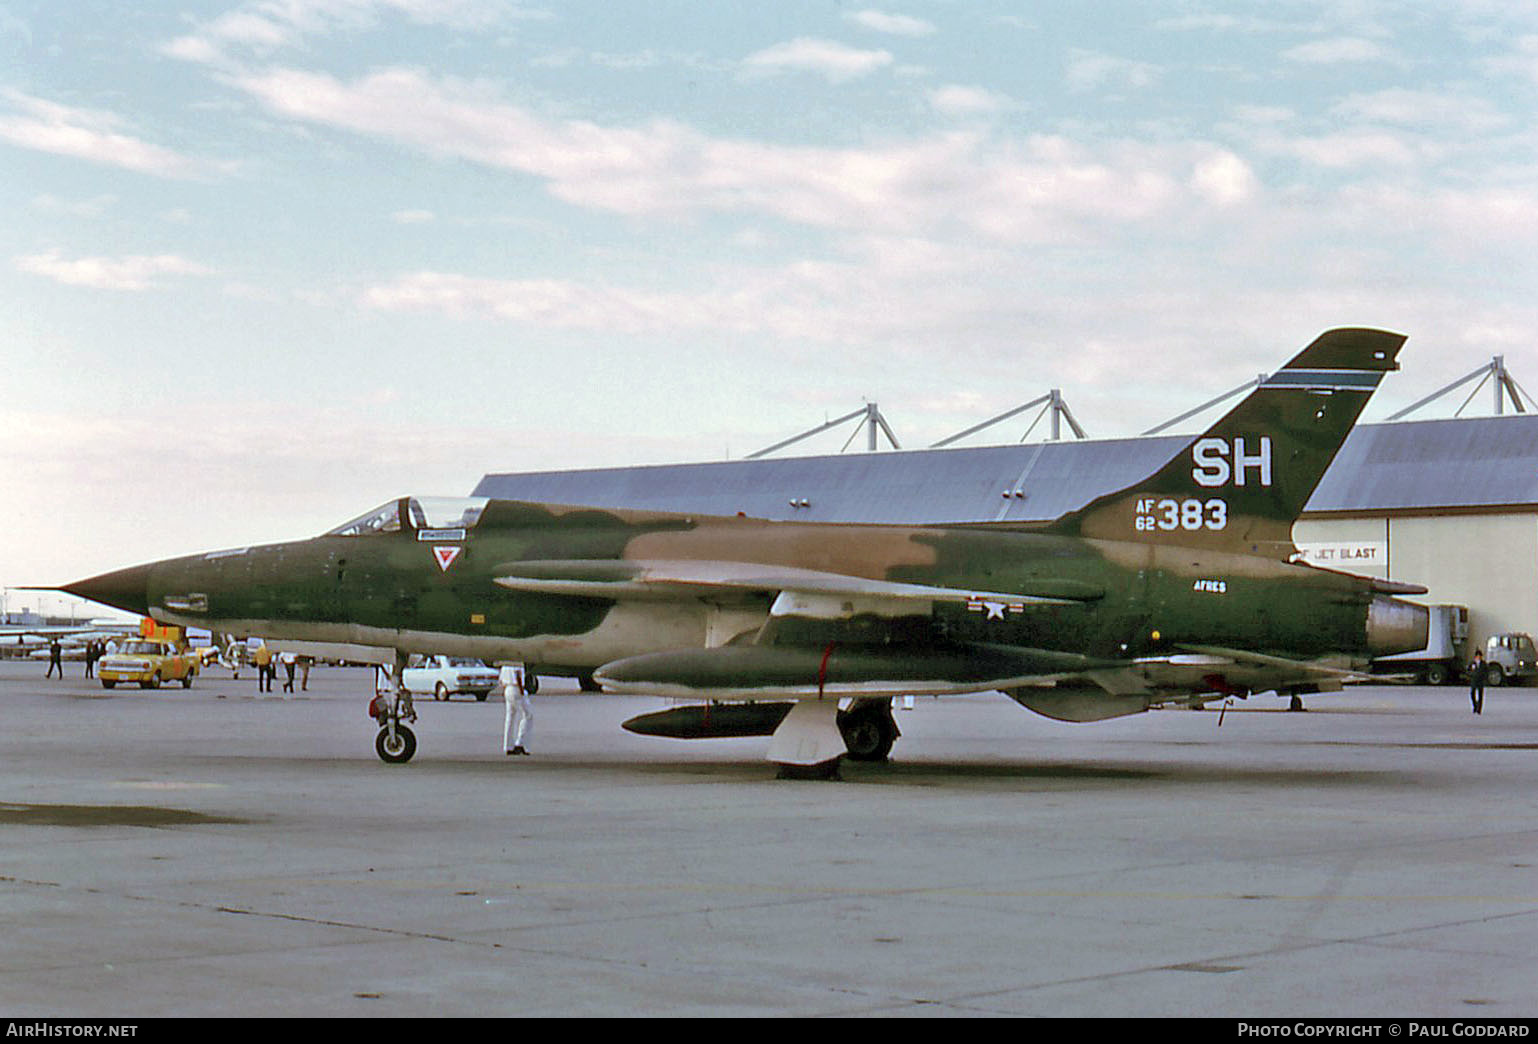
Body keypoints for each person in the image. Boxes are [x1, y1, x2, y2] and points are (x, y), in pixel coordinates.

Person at [502, 664, 532, 756]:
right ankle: (520, 743)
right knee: (528, 715)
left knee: (510, 717)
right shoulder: (517, 662)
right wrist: (522, 691)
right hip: (516, 689)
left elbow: (501, 681)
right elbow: (518, 675)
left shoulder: (505, 666)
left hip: (507, 689)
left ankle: (508, 746)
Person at [1469, 649, 1488, 715]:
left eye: (1480, 656)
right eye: (1477, 656)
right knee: (1472, 694)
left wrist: (1484, 679)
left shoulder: (1483, 664)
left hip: (1480, 681)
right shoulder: (1472, 663)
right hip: (1474, 681)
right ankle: (1475, 706)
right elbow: (1468, 671)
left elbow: (1486, 672)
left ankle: (1479, 709)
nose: (1479, 657)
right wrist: (1471, 675)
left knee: (1480, 695)